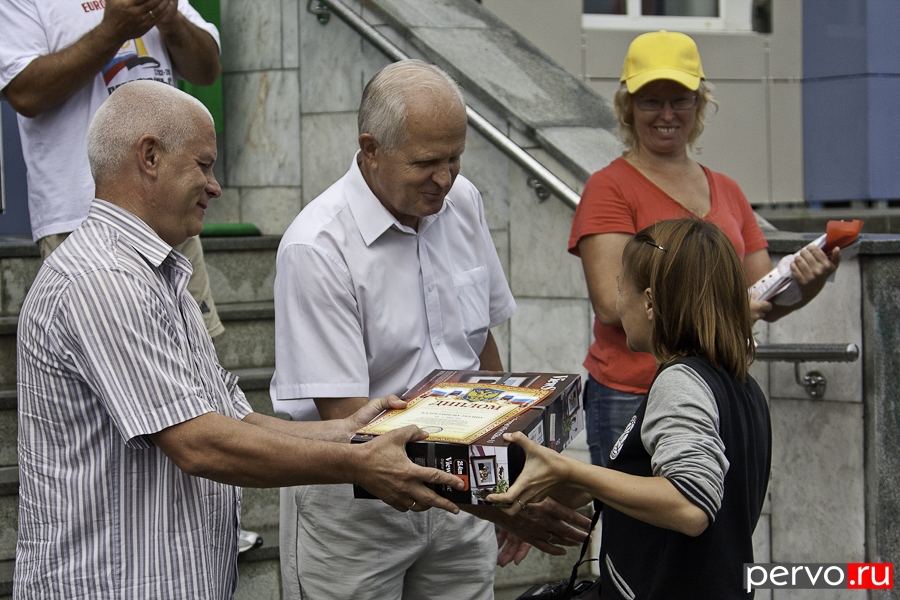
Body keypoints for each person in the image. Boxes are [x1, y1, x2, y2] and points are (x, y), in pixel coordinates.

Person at [14, 80, 469, 599]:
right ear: (150, 157)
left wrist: (350, 432)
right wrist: (359, 462)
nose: (215, 187)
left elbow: (234, 420)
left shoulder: (154, 275)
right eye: (204, 165)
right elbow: (199, 444)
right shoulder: (103, 278)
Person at [270, 59, 590, 600]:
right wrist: (497, 500)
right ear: (371, 149)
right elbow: (349, 422)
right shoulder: (317, 247)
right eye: (426, 163)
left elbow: (480, 345)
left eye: (454, 158)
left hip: (462, 495)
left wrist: (507, 472)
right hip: (355, 506)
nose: (444, 178)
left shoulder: (462, 202)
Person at [568, 30, 839, 467]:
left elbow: (761, 296)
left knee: (715, 509)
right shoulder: (609, 187)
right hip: (632, 391)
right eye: (651, 101)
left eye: (681, 99)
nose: (667, 114)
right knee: (637, 512)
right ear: (627, 106)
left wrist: (810, 280)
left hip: (719, 383)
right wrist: (727, 309)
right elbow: (610, 305)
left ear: (700, 103)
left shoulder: (727, 189)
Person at [490, 218, 772, 599]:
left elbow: (691, 504)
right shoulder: (742, 385)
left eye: (621, 286)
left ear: (650, 301)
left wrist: (571, 469)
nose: (619, 304)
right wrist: (571, 486)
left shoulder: (680, 381)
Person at [0, 0, 225, 336]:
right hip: (81, 215)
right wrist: (114, 30)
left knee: (195, 348)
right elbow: (24, 92)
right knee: (108, 351)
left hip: (173, 210)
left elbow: (207, 70)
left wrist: (170, 19)